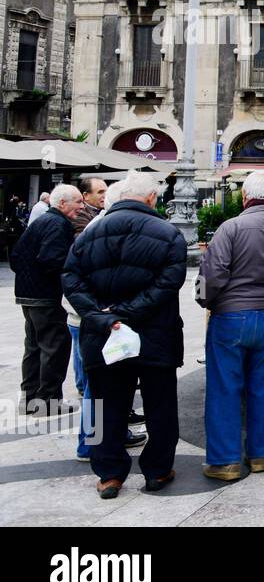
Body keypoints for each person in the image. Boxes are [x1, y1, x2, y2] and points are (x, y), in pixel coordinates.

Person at [63, 171, 187, 499]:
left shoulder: (88, 234)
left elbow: (70, 279)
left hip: (103, 336)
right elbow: (169, 282)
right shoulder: (168, 233)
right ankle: (158, 471)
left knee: (104, 406)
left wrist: (103, 318)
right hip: (154, 336)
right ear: (149, 198)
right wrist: (128, 313)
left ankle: (108, 474)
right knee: (159, 405)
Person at [197, 171, 264, 482]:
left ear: (243, 196)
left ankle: (225, 460)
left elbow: (211, 274)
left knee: (225, 388)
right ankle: (258, 456)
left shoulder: (230, 228)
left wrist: (204, 301)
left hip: (230, 317)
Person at [66, 179, 145, 460]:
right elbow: (77, 278)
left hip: (96, 319)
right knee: (96, 388)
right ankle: (89, 443)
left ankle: (109, 435)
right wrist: (103, 314)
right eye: (97, 191)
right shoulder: (95, 230)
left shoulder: (97, 228)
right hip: (92, 321)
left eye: (103, 192)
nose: (100, 196)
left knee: (104, 386)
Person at [11, 184, 82, 415]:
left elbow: (16, 257)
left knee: (33, 346)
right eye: (77, 202)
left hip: (27, 294)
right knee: (54, 346)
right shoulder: (58, 224)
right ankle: (48, 402)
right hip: (44, 296)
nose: (81, 208)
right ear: (62, 203)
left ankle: (30, 399)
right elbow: (52, 259)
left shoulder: (41, 222)